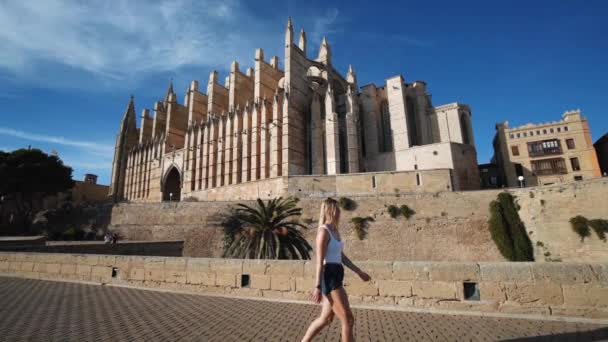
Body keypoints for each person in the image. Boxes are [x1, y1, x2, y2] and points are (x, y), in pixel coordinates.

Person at [301, 198, 371, 342]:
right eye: (337, 209)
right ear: (330, 211)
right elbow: (319, 261)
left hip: (337, 275)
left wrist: (359, 272)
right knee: (348, 320)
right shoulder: (323, 232)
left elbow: (342, 257)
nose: (339, 212)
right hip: (329, 277)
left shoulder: (335, 231)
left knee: (325, 319)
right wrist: (317, 287)